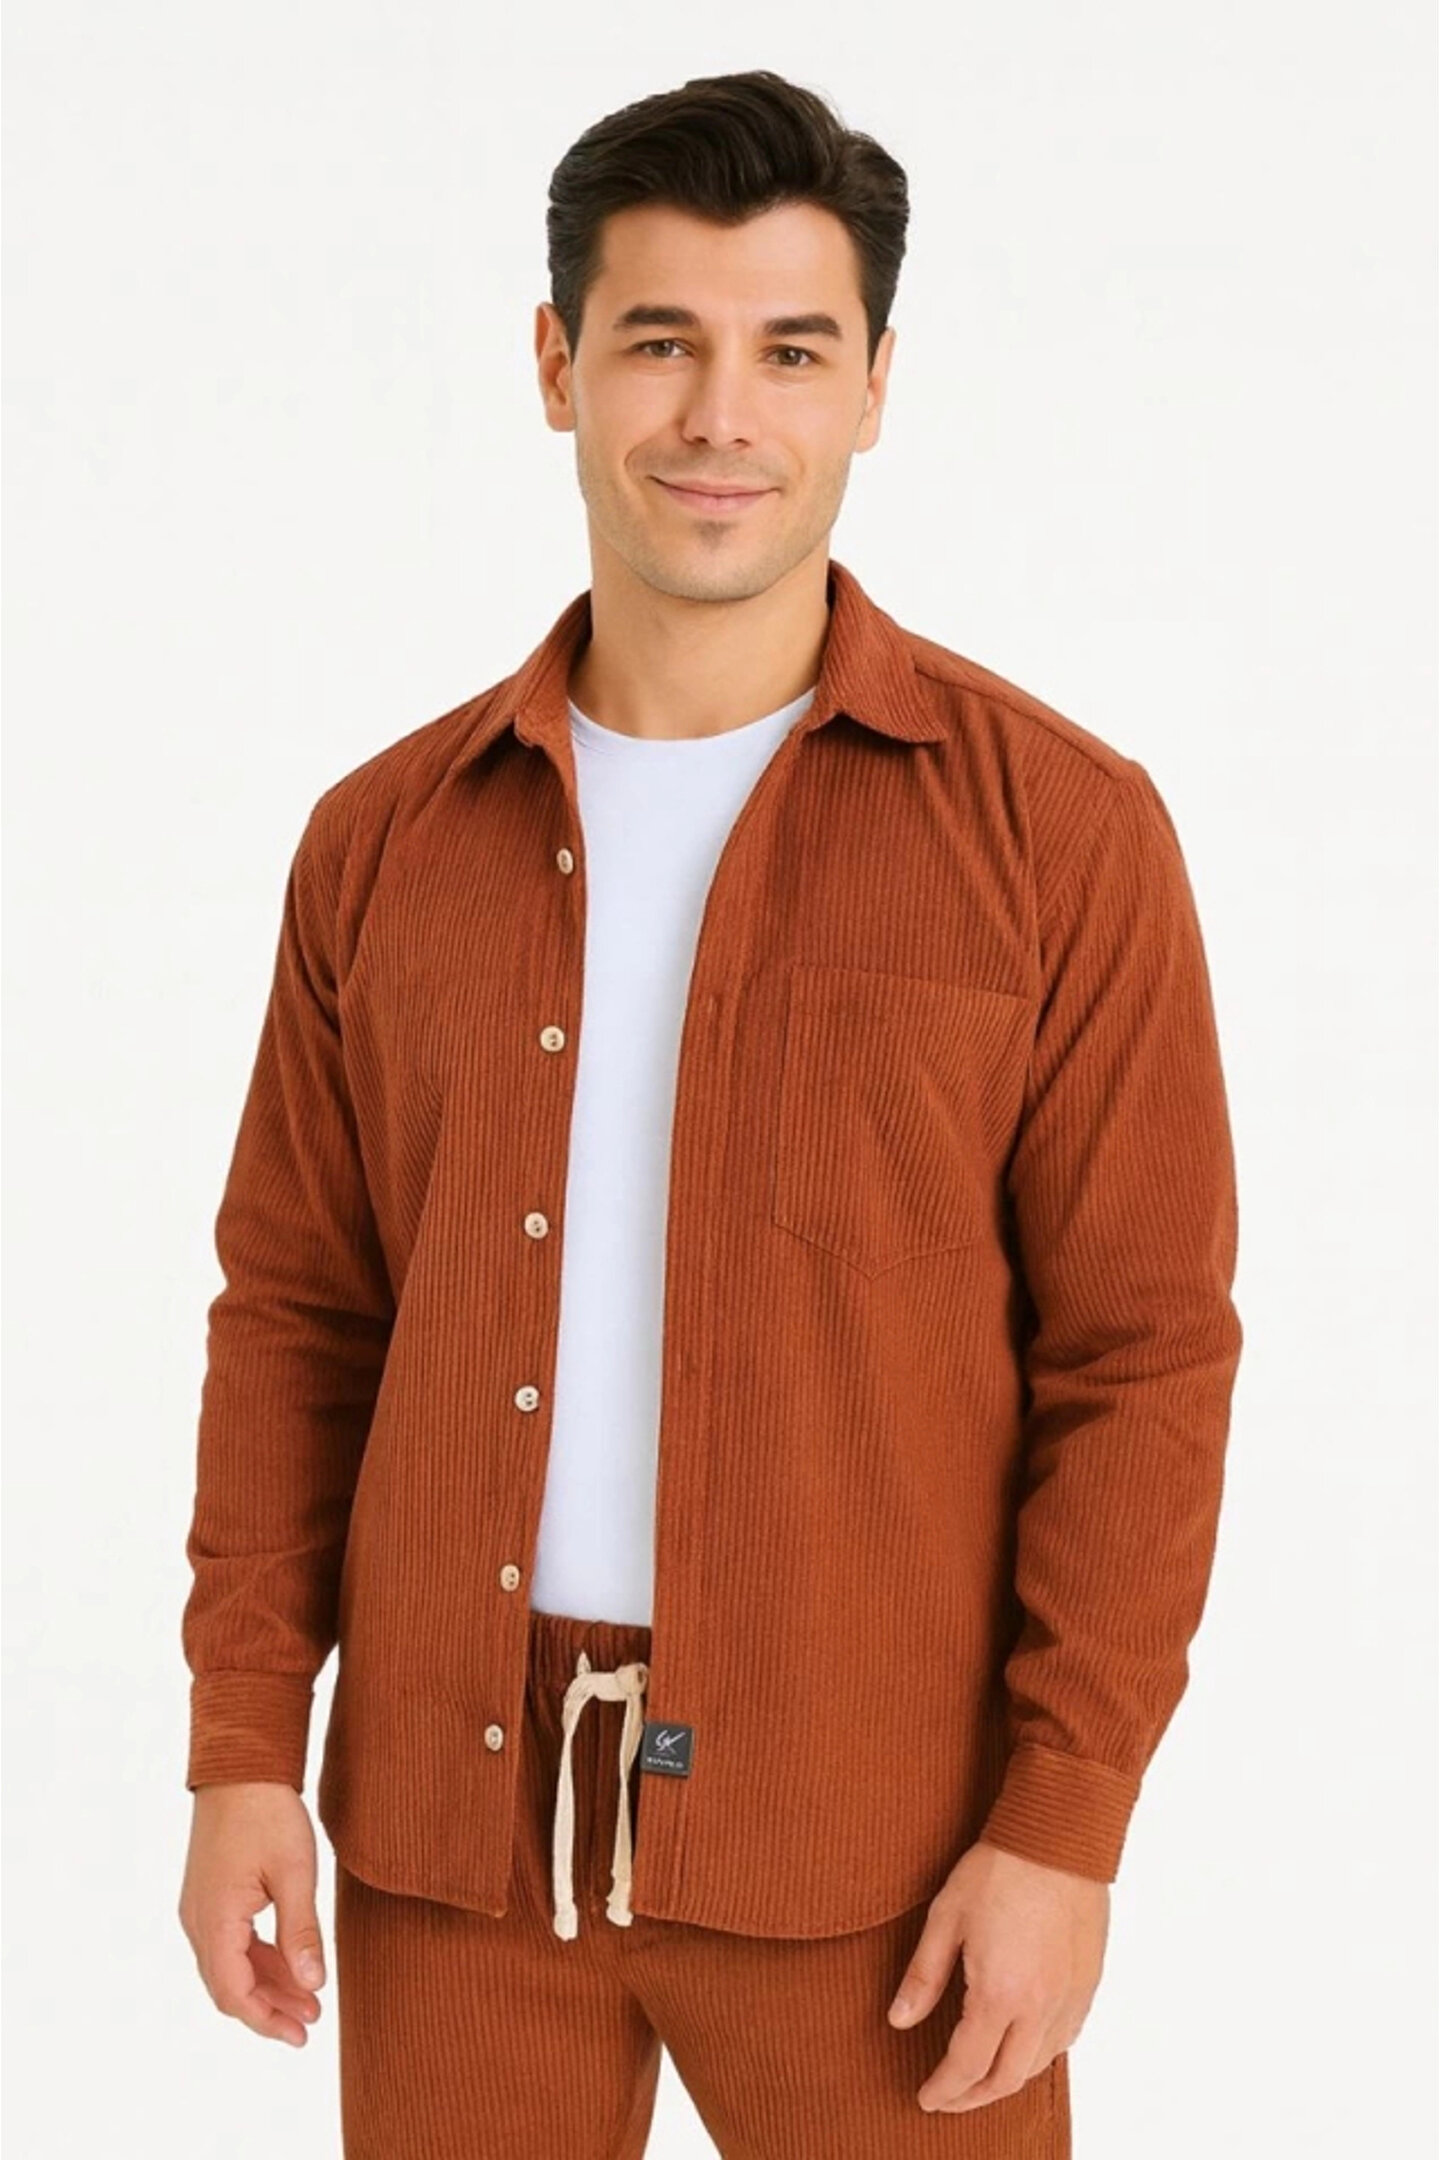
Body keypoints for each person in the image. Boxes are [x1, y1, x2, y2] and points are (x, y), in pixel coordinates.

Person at [177, 67, 1243, 2159]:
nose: (719, 416)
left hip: (883, 1853)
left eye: (792, 352)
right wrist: (240, 1747)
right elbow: (295, 1315)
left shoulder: (1061, 837)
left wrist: (1066, 1826)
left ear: (876, 391)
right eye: (660, 342)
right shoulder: (383, 843)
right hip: (450, 1835)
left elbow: (1143, 1360)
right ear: (557, 366)